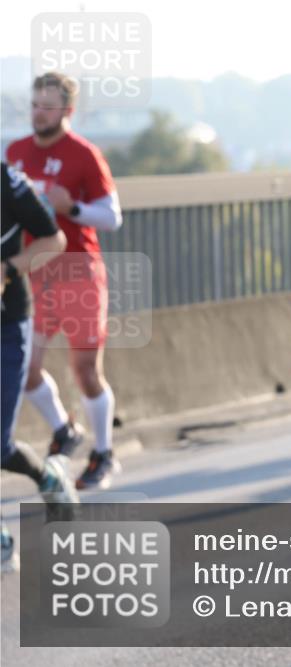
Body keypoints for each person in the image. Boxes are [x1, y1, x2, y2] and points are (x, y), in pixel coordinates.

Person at [5, 72, 124, 488]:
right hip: (33, 272)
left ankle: (104, 453)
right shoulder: (15, 152)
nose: (39, 113)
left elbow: (112, 217)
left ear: (67, 111)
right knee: (27, 369)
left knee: (85, 369)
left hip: (78, 269)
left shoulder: (84, 155)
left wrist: (71, 208)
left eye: (48, 106)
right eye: (35, 104)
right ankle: (64, 430)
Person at [2, 161, 78, 574]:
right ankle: (46, 480)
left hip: (7, 326)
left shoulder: (8, 182)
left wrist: (9, 267)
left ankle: (50, 480)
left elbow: (54, 239)